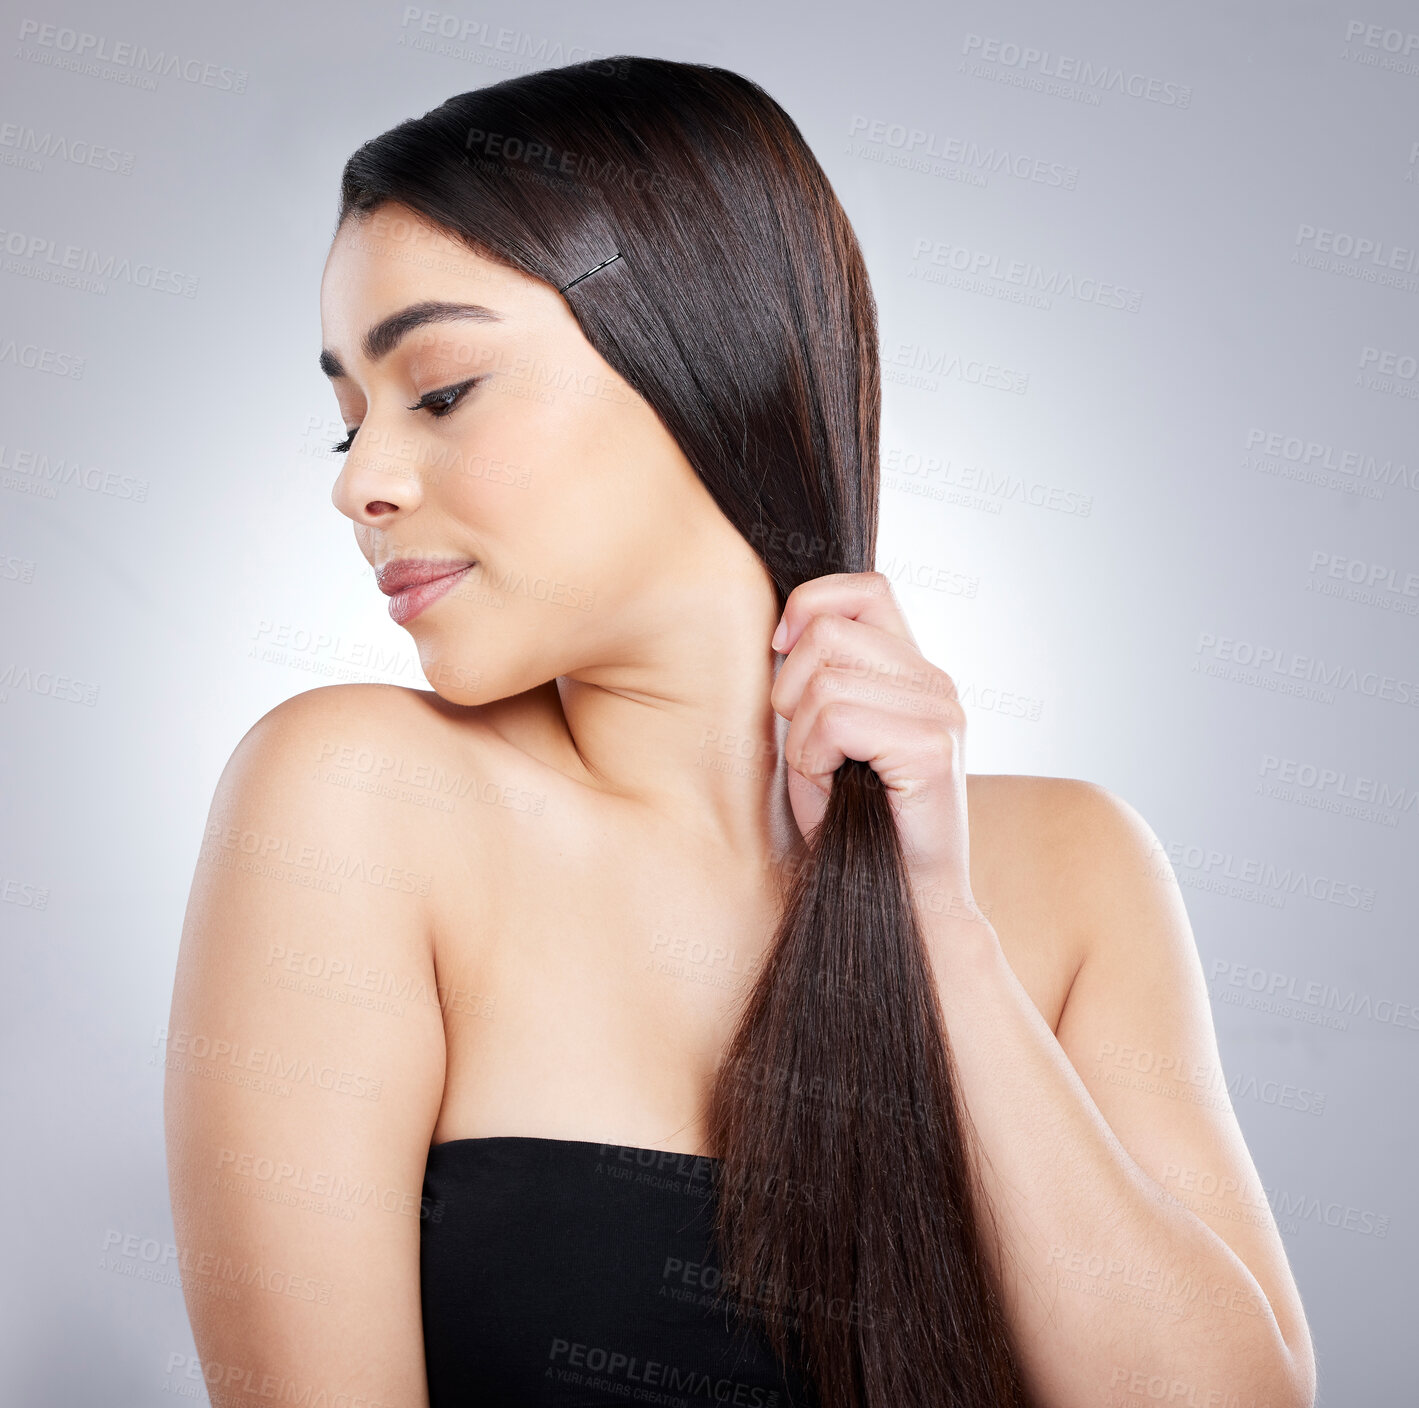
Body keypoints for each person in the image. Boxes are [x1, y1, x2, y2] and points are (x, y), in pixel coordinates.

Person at [164, 56, 1316, 1408]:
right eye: (346, 421)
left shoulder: (1073, 871)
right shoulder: (359, 802)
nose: (361, 483)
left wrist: (936, 920)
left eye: (442, 389)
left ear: (707, 360)